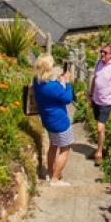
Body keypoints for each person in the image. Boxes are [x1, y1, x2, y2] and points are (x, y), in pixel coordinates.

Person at [32, 54, 75, 186]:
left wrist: (58, 81)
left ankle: (51, 173)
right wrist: (67, 83)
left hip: (48, 121)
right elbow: (67, 98)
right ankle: (55, 179)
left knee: (53, 146)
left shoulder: (36, 81)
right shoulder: (53, 87)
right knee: (65, 149)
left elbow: (52, 90)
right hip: (60, 123)